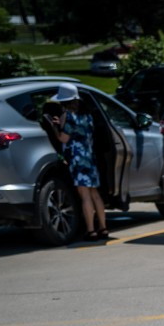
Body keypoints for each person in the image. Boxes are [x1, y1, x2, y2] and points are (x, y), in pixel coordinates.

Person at [47, 84, 108, 241]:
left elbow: (63, 138)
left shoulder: (67, 116)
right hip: (89, 157)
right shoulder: (87, 116)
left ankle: (91, 230)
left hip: (77, 159)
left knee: (84, 195)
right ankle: (103, 227)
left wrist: (54, 127)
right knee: (95, 194)